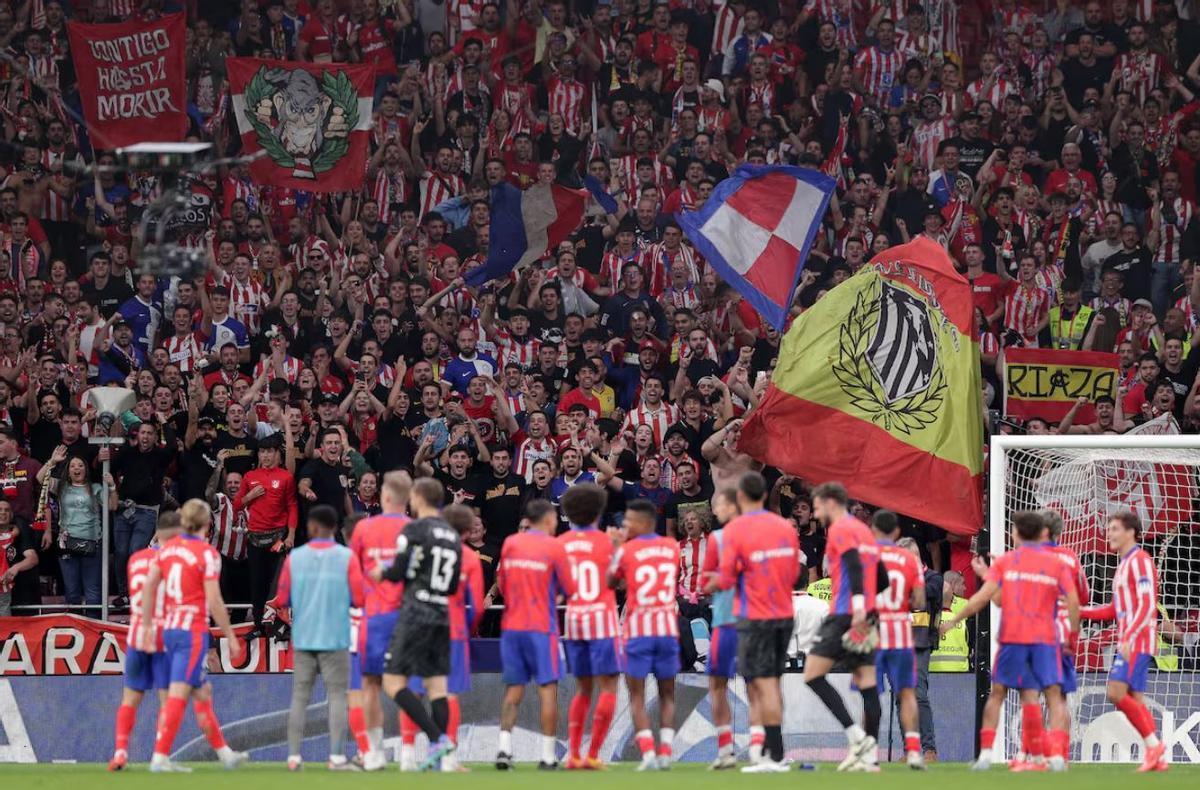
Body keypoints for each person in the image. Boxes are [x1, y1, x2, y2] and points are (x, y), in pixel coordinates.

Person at [939, 511, 1080, 773]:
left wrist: (952, 620)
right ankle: (1056, 758)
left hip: (1013, 640)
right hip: (1045, 641)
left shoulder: (1007, 562)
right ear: (1041, 534)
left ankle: (986, 756)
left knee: (999, 695)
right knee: (1052, 696)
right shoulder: (1056, 564)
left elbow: (985, 599)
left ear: (1016, 533)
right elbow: (1073, 602)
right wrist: (1070, 635)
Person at [138, 499, 247, 773]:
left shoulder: (167, 549)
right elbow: (214, 599)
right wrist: (230, 636)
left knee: (202, 692)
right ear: (208, 524)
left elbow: (150, 586)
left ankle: (225, 754)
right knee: (179, 693)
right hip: (191, 632)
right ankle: (160, 757)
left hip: (167, 628)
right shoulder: (207, 554)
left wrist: (149, 624)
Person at [705, 471, 800, 772]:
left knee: (763, 684)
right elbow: (795, 571)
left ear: (741, 497)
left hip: (753, 616)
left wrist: (713, 582)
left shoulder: (736, 532)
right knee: (770, 683)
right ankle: (770, 751)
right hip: (784, 612)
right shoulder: (785, 527)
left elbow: (727, 578)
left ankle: (773, 755)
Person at [269, 504, 365, 771]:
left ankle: (293, 757)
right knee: (337, 696)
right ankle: (335, 758)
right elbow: (359, 599)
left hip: (304, 636)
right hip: (336, 637)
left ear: (311, 527)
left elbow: (283, 598)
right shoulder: (347, 558)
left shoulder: (295, 558)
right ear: (335, 528)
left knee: (300, 696)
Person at [375, 478, 462, 771]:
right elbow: (451, 586)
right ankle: (444, 756)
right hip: (441, 614)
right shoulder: (452, 535)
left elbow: (398, 572)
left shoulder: (413, 529)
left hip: (415, 613)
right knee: (436, 687)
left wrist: (382, 572)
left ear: (420, 497)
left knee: (392, 682)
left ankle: (438, 739)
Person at [803, 481, 884, 772]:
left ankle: (856, 736)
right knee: (866, 682)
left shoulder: (840, 528)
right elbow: (882, 575)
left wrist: (859, 605)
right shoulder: (864, 530)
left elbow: (853, 563)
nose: (814, 512)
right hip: (868, 613)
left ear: (830, 503)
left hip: (847, 613)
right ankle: (870, 757)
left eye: (816, 505)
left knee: (812, 674)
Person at [1079, 511, 1168, 772]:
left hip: (1136, 641)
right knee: (1135, 701)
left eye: (1115, 529)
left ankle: (1154, 747)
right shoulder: (1124, 565)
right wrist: (1079, 610)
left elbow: (1147, 602)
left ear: (1131, 532)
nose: (1110, 534)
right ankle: (1155, 755)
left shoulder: (1140, 561)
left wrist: (1129, 636)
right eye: (1109, 529)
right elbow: (1114, 609)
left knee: (1116, 693)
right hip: (1131, 640)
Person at [494, 498, 576, 770]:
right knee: (547, 690)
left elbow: (502, 584)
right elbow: (569, 587)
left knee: (513, 689)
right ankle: (547, 755)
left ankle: (504, 749)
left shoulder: (510, 543)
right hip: (542, 627)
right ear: (549, 520)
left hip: (512, 627)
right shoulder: (555, 546)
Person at [609, 498, 682, 771]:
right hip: (666, 627)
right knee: (668, 695)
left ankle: (649, 754)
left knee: (636, 696)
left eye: (629, 520)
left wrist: (617, 549)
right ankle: (665, 752)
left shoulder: (627, 550)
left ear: (643, 522)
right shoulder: (672, 548)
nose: (625, 525)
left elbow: (612, 583)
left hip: (638, 629)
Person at [348, 470, 413, 770]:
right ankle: (410, 757)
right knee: (407, 685)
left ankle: (374, 755)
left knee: (370, 685)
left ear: (385, 496)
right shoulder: (417, 530)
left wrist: (364, 601)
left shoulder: (363, 529)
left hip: (374, 618)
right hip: (409, 618)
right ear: (408, 498)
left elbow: (353, 575)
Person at [109, 511, 181, 771]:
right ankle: (160, 756)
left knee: (130, 698)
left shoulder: (135, 559)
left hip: (136, 635)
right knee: (166, 699)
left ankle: (120, 752)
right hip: (161, 636)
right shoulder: (173, 562)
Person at [557, 482, 621, 770]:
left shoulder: (560, 544)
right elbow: (619, 581)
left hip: (573, 619)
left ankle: (573, 754)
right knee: (608, 686)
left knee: (582, 689)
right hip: (602, 618)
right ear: (599, 509)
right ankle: (593, 754)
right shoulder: (607, 542)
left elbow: (557, 587)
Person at [870, 511, 927, 770]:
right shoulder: (909, 559)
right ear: (896, 533)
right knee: (907, 693)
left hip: (874, 631)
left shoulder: (866, 555)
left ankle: (868, 753)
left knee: (870, 693)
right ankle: (914, 751)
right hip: (902, 632)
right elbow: (919, 602)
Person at [233, 435, 298, 638]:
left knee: (279, 584)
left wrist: (291, 536)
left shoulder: (286, 477)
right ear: (259, 455)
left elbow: (292, 507)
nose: (266, 455)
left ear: (278, 454)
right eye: (263, 451)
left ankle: (281, 627)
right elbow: (236, 506)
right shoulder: (249, 477)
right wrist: (249, 497)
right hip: (254, 538)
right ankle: (259, 626)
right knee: (257, 583)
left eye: (270, 451)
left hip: (278, 537)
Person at [701, 487, 741, 769]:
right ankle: (768, 748)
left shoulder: (717, 538)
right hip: (758, 620)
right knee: (762, 684)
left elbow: (705, 584)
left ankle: (726, 749)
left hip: (727, 620)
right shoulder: (762, 535)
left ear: (729, 505)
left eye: (718, 505)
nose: (714, 511)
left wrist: (718, 582)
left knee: (717, 685)